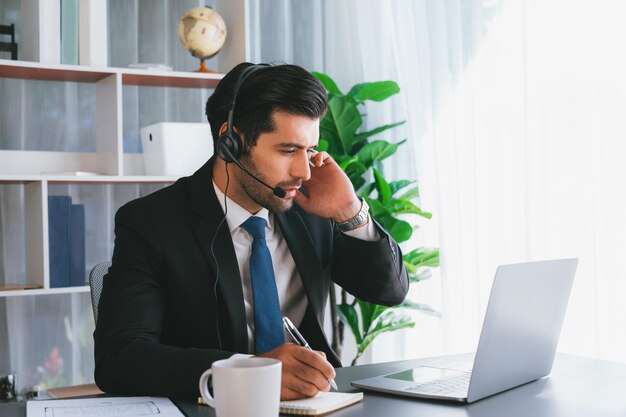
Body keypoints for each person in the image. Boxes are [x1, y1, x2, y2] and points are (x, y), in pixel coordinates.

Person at [94, 62, 409, 400]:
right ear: (231, 141)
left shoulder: (313, 207)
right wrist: (248, 371)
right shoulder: (152, 223)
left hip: (315, 404)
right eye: (288, 150)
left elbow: (388, 291)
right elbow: (120, 358)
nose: (304, 170)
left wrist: (351, 213)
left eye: (311, 149)